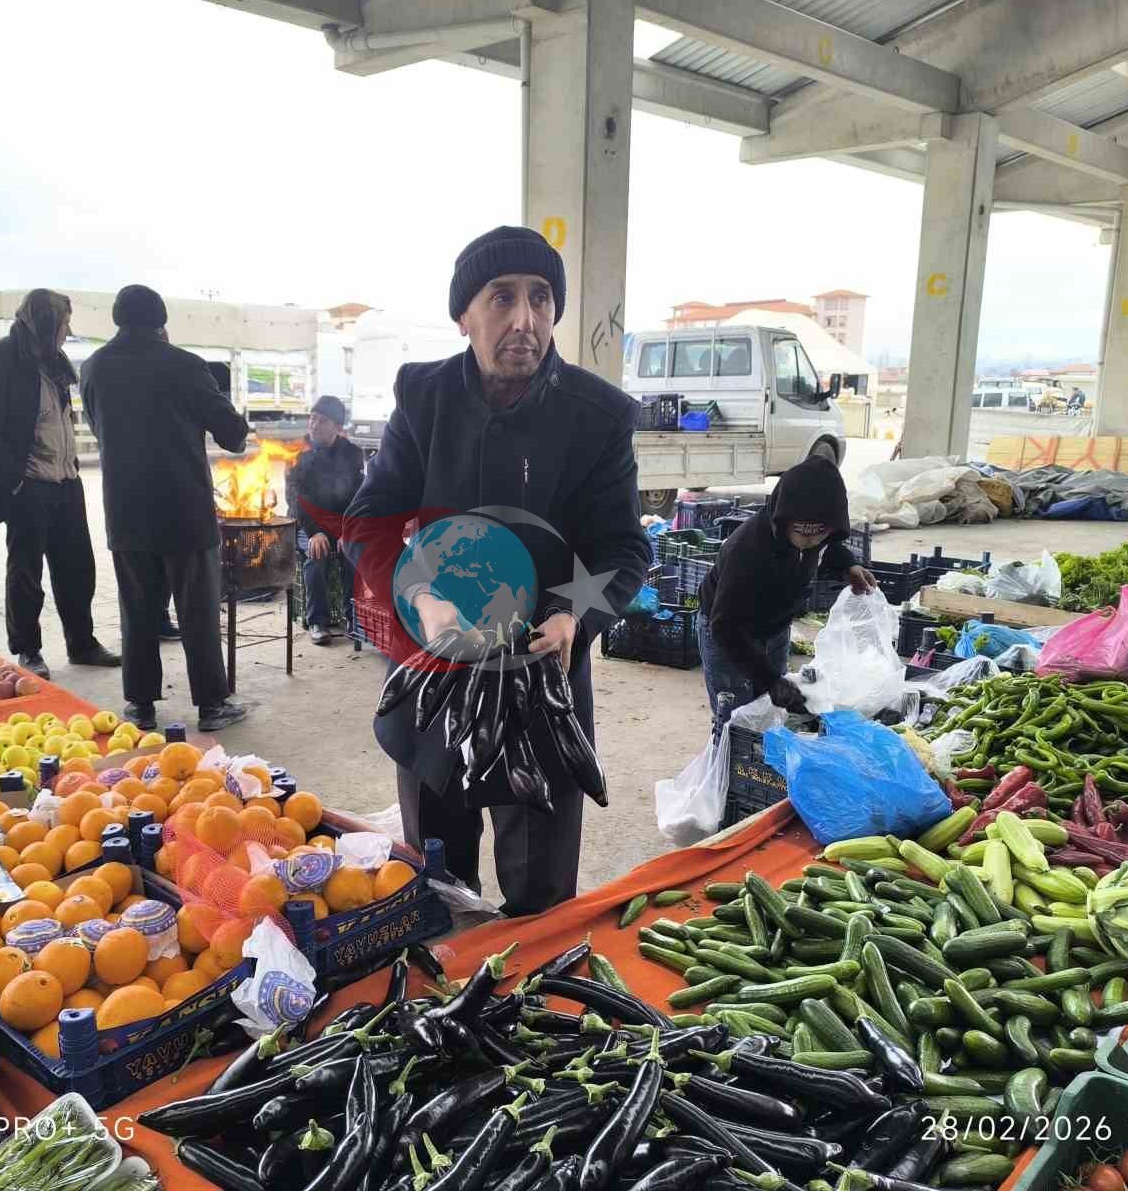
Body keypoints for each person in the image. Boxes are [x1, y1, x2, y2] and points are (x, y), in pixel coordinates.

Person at [343, 225, 651, 917]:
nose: (525, 319)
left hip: (541, 679)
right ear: (464, 315)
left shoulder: (597, 417)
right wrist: (419, 597)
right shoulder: (424, 398)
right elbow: (369, 520)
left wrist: (574, 614)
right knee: (438, 889)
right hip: (434, 673)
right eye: (502, 297)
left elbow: (624, 549)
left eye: (541, 298)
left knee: (541, 900)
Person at [80, 285, 252, 733]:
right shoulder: (184, 365)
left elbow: (99, 428)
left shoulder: (93, 367)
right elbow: (233, 435)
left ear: (118, 319)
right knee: (197, 611)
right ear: (162, 322)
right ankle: (212, 706)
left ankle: (140, 706)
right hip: (183, 511)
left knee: (137, 610)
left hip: (126, 509)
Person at [0, 288, 120, 680]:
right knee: (26, 574)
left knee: (77, 569)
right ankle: (28, 650)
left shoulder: (54, 363)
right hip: (28, 486)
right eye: (64, 323)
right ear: (45, 323)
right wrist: (15, 481)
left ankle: (82, 643)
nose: (67, 332)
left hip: (66, 482)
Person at [697, 455, 877, 721]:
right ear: (783, 522)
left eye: (819, 535)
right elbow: (725, 627)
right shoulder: (746, 551)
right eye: (803, 534)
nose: (810, 542)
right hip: (729, 632)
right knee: (736, 717)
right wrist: (770, 680)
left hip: (775, 627)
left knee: (771, 712)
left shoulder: (814, 533)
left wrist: (849, 566)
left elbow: (829, 547)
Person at [288, 395, 365, 644]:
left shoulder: (352, 453)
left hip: (341, 524)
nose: (314, 425)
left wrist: (347, 530)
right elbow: (295, 498)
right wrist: (314, 532)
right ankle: (317, 621)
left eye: (322, 420)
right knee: (317, 555)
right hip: (308, 524)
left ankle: (353, 618)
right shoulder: (297, 452)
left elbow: (358, 497)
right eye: (312, 418)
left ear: (337, 427)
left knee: (353, 552)